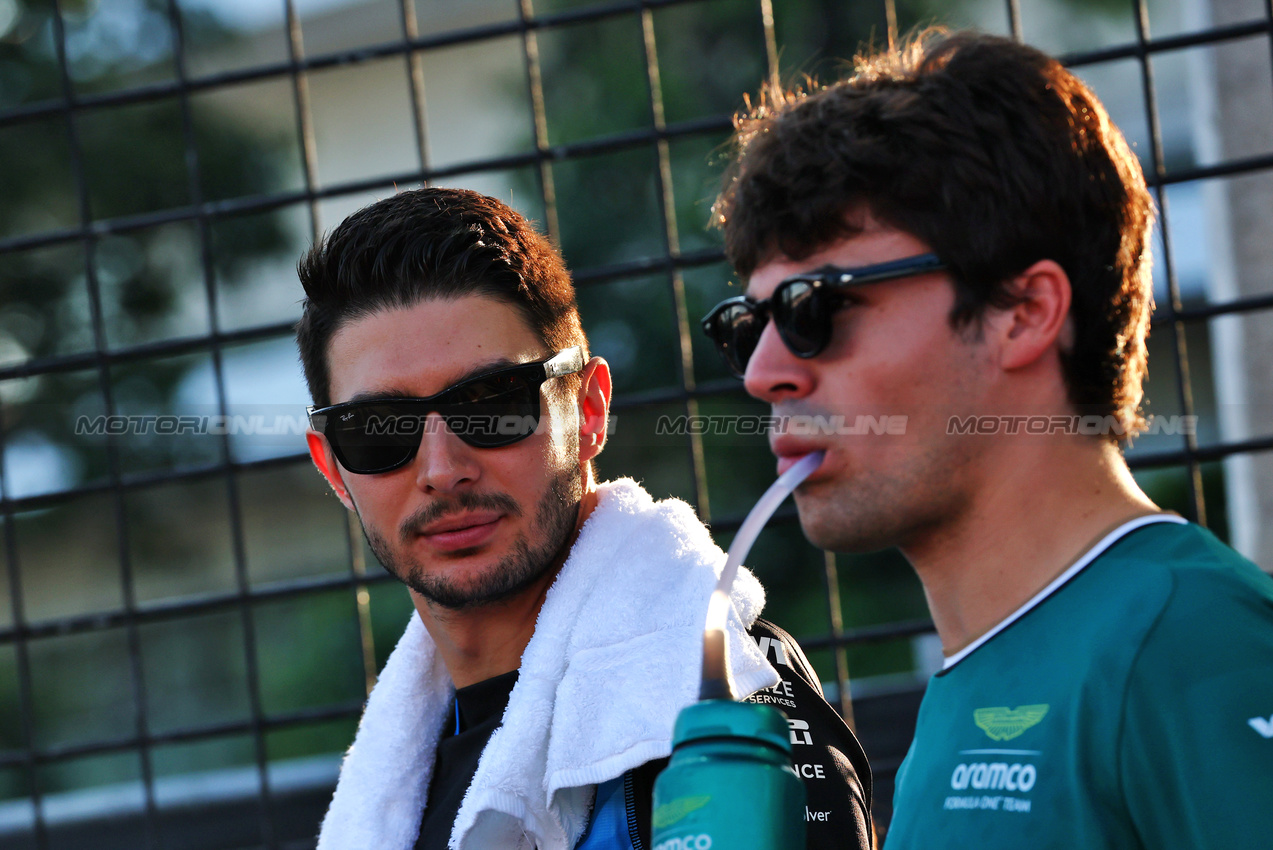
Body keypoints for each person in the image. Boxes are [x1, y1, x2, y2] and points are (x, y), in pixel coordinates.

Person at [702, 28, 1273, 850]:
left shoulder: (1189, 646)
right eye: (747, 324)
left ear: (1022, 312)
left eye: (810, 307)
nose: (762, 373)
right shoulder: (981, 675)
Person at [295, 187, 872, 850]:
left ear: (589, 410)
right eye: (377, 430)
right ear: (334, 466)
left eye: (491, 405)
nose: (441, 467)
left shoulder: (726, 705)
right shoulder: (399, 787)